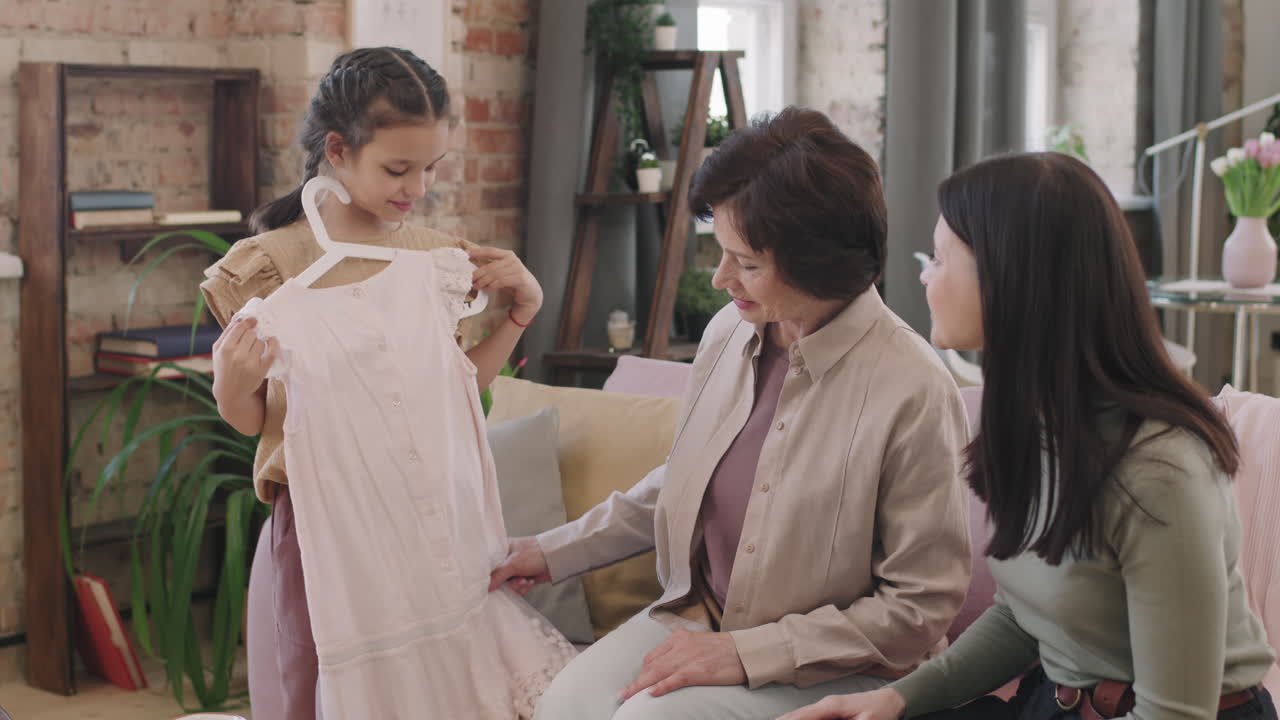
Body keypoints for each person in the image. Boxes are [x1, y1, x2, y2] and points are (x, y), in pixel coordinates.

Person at [487, 107, 973, 720]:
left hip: (842, 665)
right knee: (561, 709)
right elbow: (690, 482)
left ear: (817, 262)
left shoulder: (913, 388)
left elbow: (919, 608)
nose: (719, 279)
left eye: (745, 262)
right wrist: (552, 550)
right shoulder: (728, 335)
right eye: (719, 253)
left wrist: (746, 654)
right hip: (700, 620)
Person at [780, 152, 1279, 720]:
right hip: (1057, 702)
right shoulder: (1036, 424)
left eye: (941, 258)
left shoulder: (1158, 471)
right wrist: (894, 700)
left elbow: (1174, 715)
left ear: (1009, 277)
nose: (923, 275)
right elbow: (1025, 615)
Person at [200, 47, 556, 720]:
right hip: (331, 529)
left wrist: (517, 318)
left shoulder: (434, 258)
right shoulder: (267, 268)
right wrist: (230, 385)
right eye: (398, 168)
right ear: (337, 150)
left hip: (435, 522)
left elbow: (452, 392)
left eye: (431, 168)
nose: (417, 188)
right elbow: (258, 424)